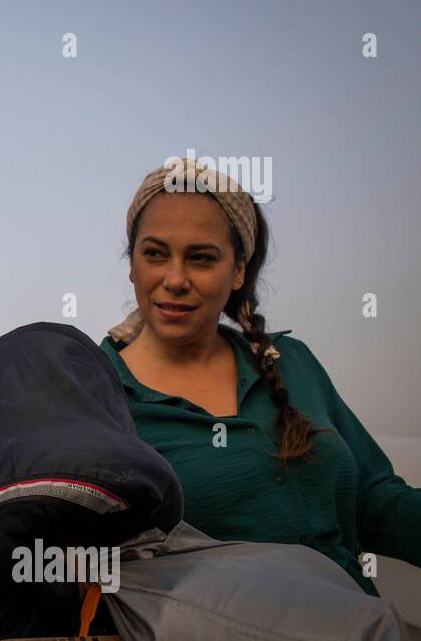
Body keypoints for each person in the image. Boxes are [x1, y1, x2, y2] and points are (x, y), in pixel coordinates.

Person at [101, 159, 421, 594]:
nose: (174, 279)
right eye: (155, 254)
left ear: (238, 272)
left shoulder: (291, 363)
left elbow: (374, 499)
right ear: (133, 262)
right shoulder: (96, 393)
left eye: (201, 258)